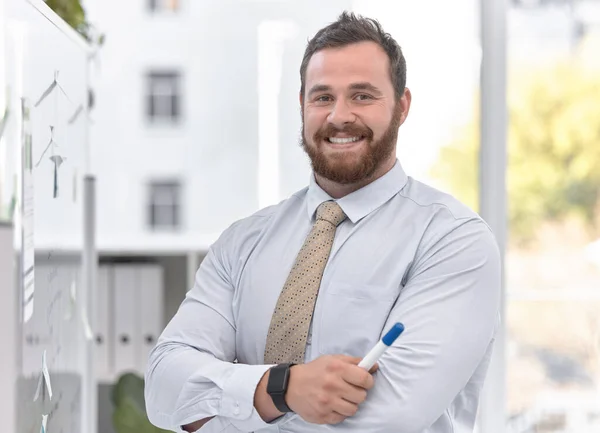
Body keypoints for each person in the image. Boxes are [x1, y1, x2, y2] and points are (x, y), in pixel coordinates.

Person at [145, 11, 501, 433]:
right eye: (322, 97)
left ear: (402, 107)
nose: (339, 116)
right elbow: (163, 389)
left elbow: (392, 419)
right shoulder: (243, 242)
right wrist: (282, 387)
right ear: (302, 105)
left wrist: (228, 403)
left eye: (362, 96)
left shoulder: (452, 241)